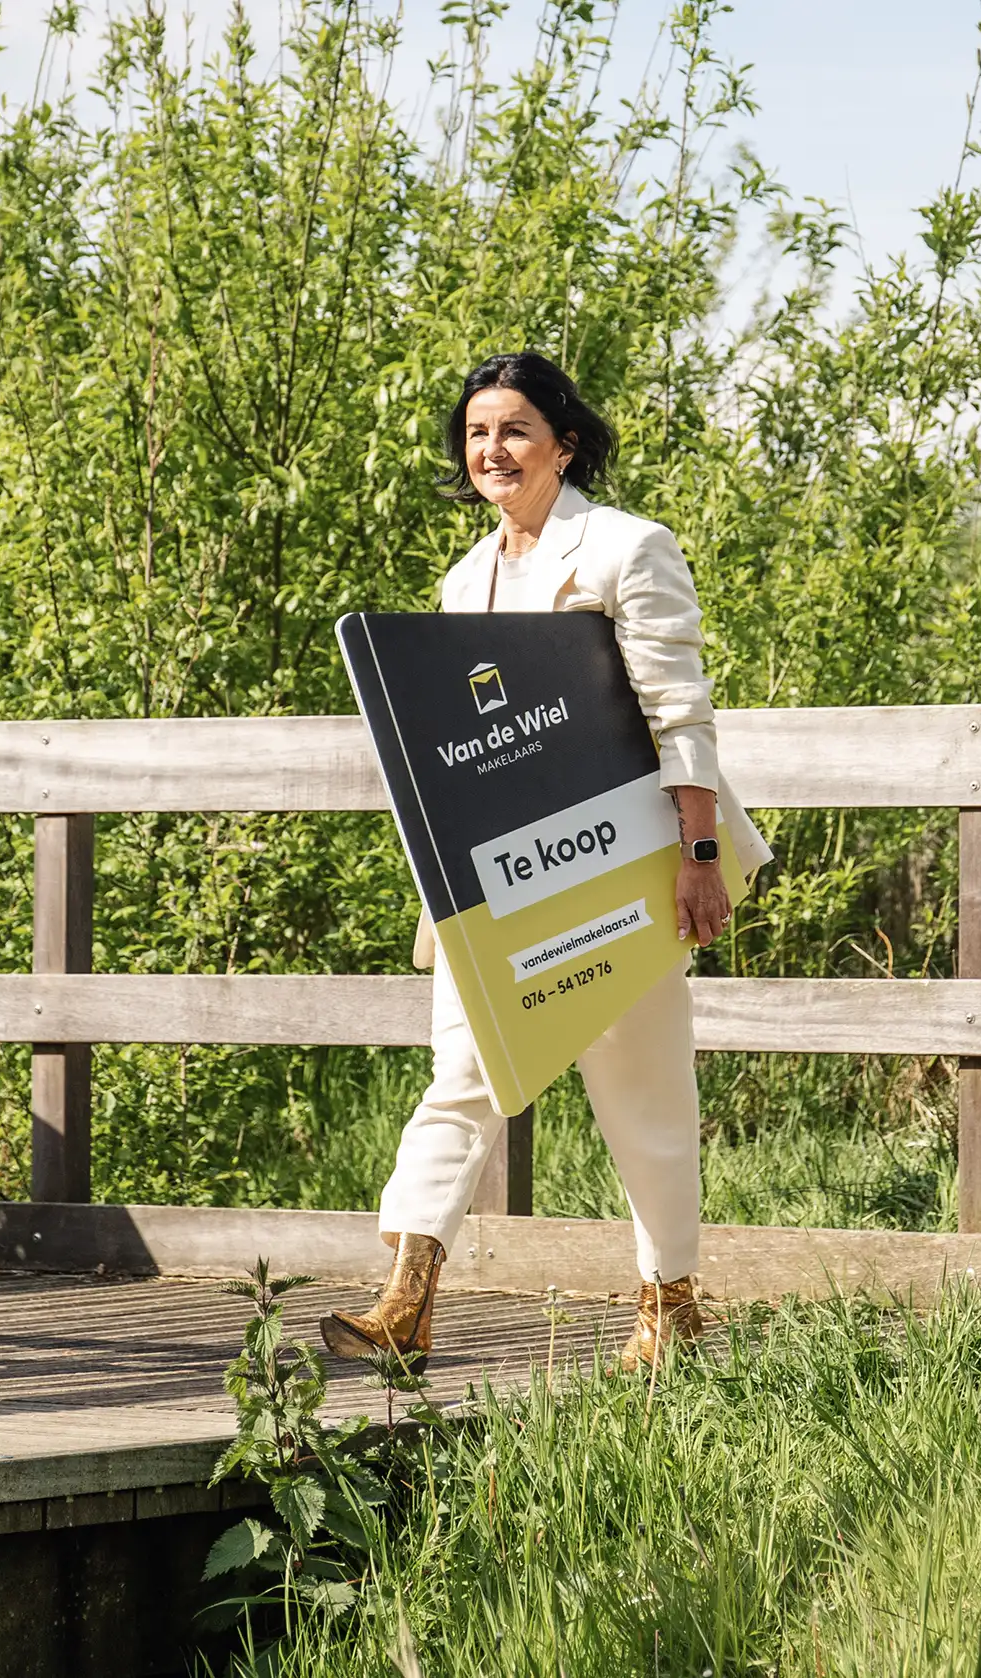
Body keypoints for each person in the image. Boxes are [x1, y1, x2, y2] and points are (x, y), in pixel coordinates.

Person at [320, 350, 771, 1373]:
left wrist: (697, 853)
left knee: (641, 1090)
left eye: (513, 429)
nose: (492, 449)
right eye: (477, 433)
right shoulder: (460, 578)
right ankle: (406, 1297)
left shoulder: (627, 548)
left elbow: (677, 714)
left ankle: (670, 1305)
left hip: (622, 866)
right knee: (463, 1072)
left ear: (562, 443)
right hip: (496, 883)